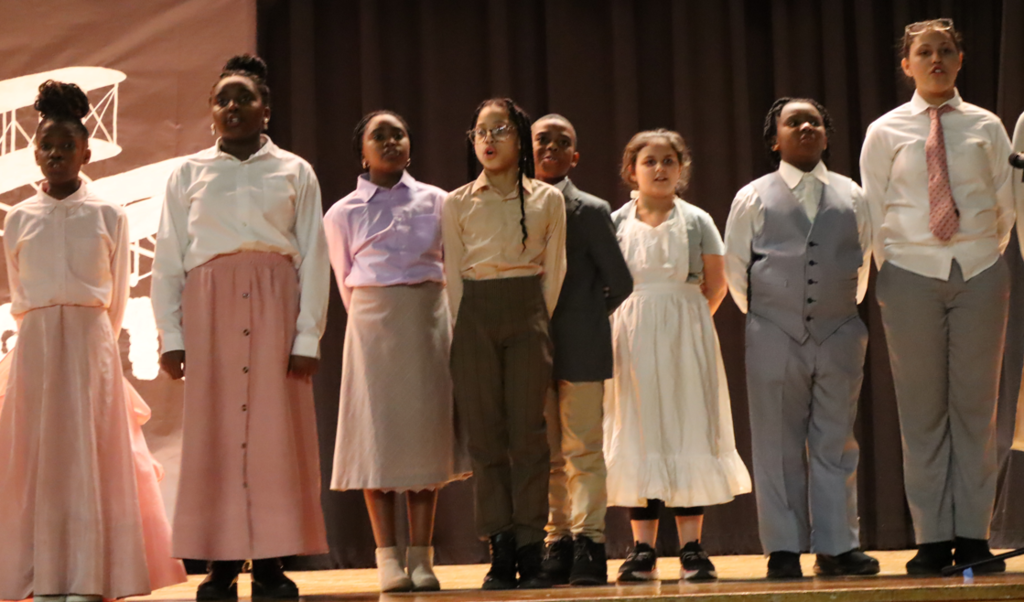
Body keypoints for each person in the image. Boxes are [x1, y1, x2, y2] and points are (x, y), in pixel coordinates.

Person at [152, 54, 330, 598]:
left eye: (244, 97)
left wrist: (306, 336)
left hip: (277, 308)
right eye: (222, 98)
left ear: (266, 111)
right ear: (210, 112)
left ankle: (273, 563)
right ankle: (222, 564)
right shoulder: (187, 173)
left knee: (278, 436)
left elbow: (315, 258)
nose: (232, 106)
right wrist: (172, 335)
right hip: (211, 313)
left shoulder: (295, 170)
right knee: (217, 437)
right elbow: (168, 259)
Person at [0, 80, 186, 601]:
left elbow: (118, 295)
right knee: (39, 461)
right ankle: (40, 575)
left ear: (86, 151)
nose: (55, 154)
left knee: (87, 459)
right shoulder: (17, 218)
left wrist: (93, 343)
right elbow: (19, 290)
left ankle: (87, 575)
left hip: (88, 346)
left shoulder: (109, 214)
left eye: (65, 146)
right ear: (33, 152)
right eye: (45, 146)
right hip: (36, 345)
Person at [859, 18, 1015, 575]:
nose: (936, 60)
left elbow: (1004, 206)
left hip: (977, 271)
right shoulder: (885, 131)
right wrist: (900, 268)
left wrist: (977, 256)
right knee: (921, 412)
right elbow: (872, 212)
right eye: (924, 52)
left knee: (975, 410)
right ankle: (931, 537)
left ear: (960, 59)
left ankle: (973, 536)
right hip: (908, 276)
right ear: (907, 65)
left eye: (945, 50)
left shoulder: (986, 125)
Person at [724, 98, 879, 579]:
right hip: (773, 331)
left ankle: (837, 546)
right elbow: (735, 271)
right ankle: (784, 548)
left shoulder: (853, 195)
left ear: (827, 136)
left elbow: (864, 260)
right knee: (775, 442)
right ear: (776, 139)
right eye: (794, 121)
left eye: (814, 121)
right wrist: (773, 315)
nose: (806, 126)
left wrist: (835, 313)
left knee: (836, 440)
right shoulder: (752, 196)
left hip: (839, 331)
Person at [324, 110, 469, 592]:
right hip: (372, 324)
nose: (390, 142)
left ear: (411, 144)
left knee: (424, 439)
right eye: (378, 136)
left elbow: (453, 264)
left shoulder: (439, 201)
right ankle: (387, 556)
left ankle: (422, 556)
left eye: (398, 134)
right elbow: (345, 278)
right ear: (361, 151)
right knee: (376, 438)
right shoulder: (341, 212)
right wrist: (379, 310)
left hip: (427, 319)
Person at [607, 129, 751, 583]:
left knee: (688, 426)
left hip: (686, 330)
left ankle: (692, 546)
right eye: (649, 161)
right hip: (631, 332)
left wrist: (684, 321)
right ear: (632, 169)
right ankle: (642, 549)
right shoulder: (615, 221)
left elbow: (716, 281)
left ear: (681, 168)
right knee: (640, 430)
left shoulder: (696, 220)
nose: (660, 169)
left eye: (669, 160)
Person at [442, 98, 566, 590]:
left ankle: (533, 545)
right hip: (474, 311)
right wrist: (467, 323)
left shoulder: (546, 199)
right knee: (486, 438)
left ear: (520, 139)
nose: (488, 140)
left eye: (500, 131)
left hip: (526, 308)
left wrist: (532, 316)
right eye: (480, 132)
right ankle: (501, 546)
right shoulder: (457, 202)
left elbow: (553, 273)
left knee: (529, 436)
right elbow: (452, 275)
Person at [529, 114, 632, 586]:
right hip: (531, 349)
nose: (550, 148)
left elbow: (621, 282)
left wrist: (587, 317)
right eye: (541, 140)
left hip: (582, 348)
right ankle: (558, 538)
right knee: (548, 453)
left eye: (562, 142)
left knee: (583, 450)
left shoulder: (590, 210)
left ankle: (590, 541)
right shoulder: (514, 206)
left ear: (575, 156)